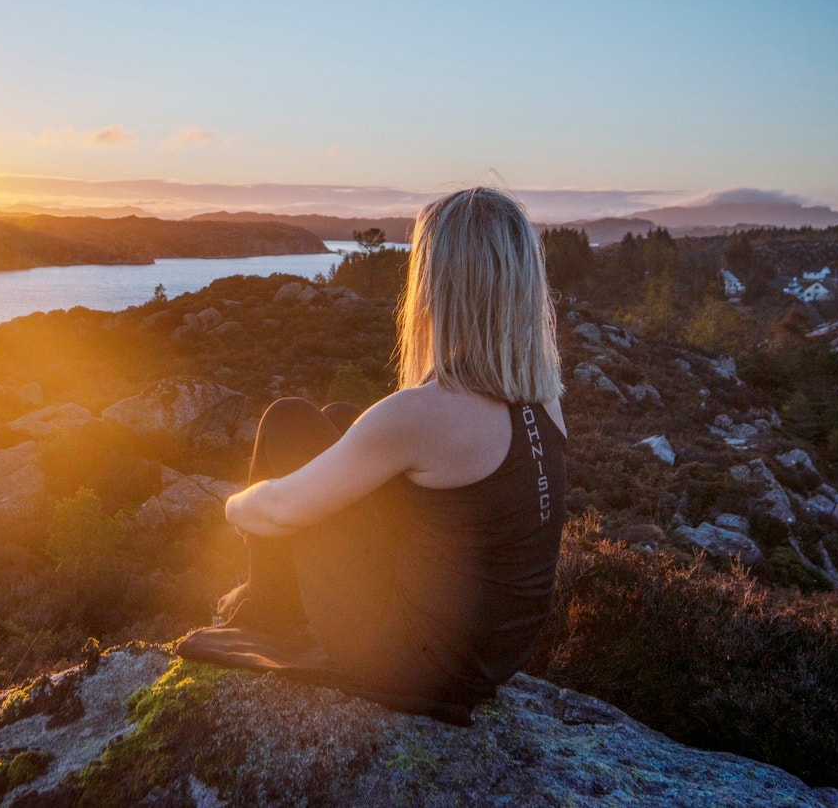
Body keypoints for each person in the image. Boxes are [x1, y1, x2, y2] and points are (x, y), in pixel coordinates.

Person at [176, 186, 567, 723]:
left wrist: (233, 507)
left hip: (410, 666)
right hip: (490, 659)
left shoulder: (426, 413)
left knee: (290, 421)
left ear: (438, 284)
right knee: (340, 418)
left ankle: (268, 610)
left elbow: (280, 510)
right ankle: (268, 600)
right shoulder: (544, 400)